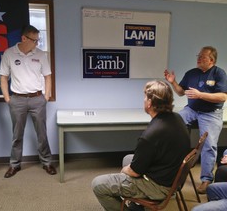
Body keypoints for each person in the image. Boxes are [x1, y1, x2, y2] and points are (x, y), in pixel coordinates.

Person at [91, 80, 190, 211]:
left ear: (150, 103)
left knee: (98, 184)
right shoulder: (176, 118)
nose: (143, 100)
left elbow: (134, 172)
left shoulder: (150, 135)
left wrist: (124, 172)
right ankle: (138, 204)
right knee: (127, 158)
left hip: (159, 187)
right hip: (172, 177)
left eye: (145, 97)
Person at [164, 46, 227, 194]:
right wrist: (172, 82)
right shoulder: (192, 73)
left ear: (211, 60)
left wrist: (200, 95)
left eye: (203, 56)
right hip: (191, 110)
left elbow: (223, 96)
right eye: (198, 55)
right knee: (172, 126)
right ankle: (176, 168)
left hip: (211, 113)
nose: (198, 58)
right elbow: (180, 92)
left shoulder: (219, 73)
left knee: (209, 145)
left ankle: (206, 180)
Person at [0, 25, 56, 178]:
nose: (37, 43)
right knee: (17, 134)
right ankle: (14, 164)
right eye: (34, 40)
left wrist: (46, 97)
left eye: (38, 40)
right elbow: (3, 77)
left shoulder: (41, 54)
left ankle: (47, 162)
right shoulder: (9, 53)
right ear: (24, 38)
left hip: (37, 99)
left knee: (42, 133)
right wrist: (7, 98)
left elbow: (48, 76)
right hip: (17, 99)